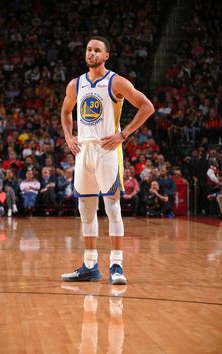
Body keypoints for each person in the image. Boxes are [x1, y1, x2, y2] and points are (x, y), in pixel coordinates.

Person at [60, 36, 154, 284]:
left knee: (112, 207)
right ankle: (90, 265)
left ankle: (116, 265)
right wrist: (69, 136)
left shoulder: (116, 82)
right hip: (84, 151)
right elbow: (66, 110)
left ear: (106, 56)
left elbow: (147, 106)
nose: (91, 53)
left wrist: (124, 134)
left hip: (108, 150)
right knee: (86, 209)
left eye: (97, 50)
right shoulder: (75, 84)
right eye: (89, 49)